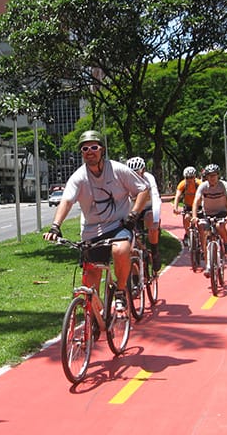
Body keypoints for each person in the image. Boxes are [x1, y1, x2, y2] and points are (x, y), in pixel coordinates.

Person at [43, 130, 149, 312]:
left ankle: (121, 291)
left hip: (119, 225)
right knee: (90, 286)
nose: (89, 152)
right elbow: (66, 201)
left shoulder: (117, 169)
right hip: (92, 231)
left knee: (121, 249)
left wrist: (133, 215)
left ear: (102, 150)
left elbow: (143, 189)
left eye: (94, 147)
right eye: (85, 149)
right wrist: (55, 226)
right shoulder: (79, 177)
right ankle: (95, 319)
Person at [191, 163, 227, 275]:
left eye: (214, 175)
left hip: (221, 212)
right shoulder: (203, 186)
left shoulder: (223, 185)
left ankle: (226, 243)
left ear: (218, 175)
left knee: (219, 226)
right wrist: (194, 216)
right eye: (209, 176)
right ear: (206, 177)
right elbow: (196, 201)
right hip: (207, 213)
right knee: (203, 230)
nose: (212, 178)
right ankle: (208, 265)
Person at [125, 156, 162, 271]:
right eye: (132, 174)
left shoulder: (149, 178)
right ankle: (137, 277)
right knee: (132, 240)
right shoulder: (125, 180)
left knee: (151, 220)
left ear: (143, 171)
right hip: (133, 210)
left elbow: (155, 198)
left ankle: (155, 252)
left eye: (137, 173)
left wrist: (156, 221)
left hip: (148, 208)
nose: (135, 177)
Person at [172, 166, 202, 241]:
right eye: (187, 178)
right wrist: (175, 208)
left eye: (191, 177)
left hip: (199, 206)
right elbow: (177, 196)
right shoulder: (182, 184)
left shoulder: (199, 184)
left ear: (195, 177)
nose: (189, 180)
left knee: (201, 224)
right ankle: (188, 235)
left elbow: (205, 195)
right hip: (188, 206)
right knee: (186, 218)